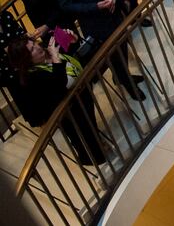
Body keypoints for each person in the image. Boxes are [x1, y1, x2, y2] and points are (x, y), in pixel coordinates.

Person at [6, 35, 106, 166]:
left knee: (90, 129)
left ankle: (97, 149)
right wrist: (55, 58)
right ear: (25, 59)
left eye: (34, 43)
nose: (37, 47)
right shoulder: (32, 77)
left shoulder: (48, 53)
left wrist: (73, 41)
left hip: (82, 98)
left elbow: (72, 59)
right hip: (70, 113)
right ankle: (93, 160)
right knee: (83, 138)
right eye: (31, 50)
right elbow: (59, 83)